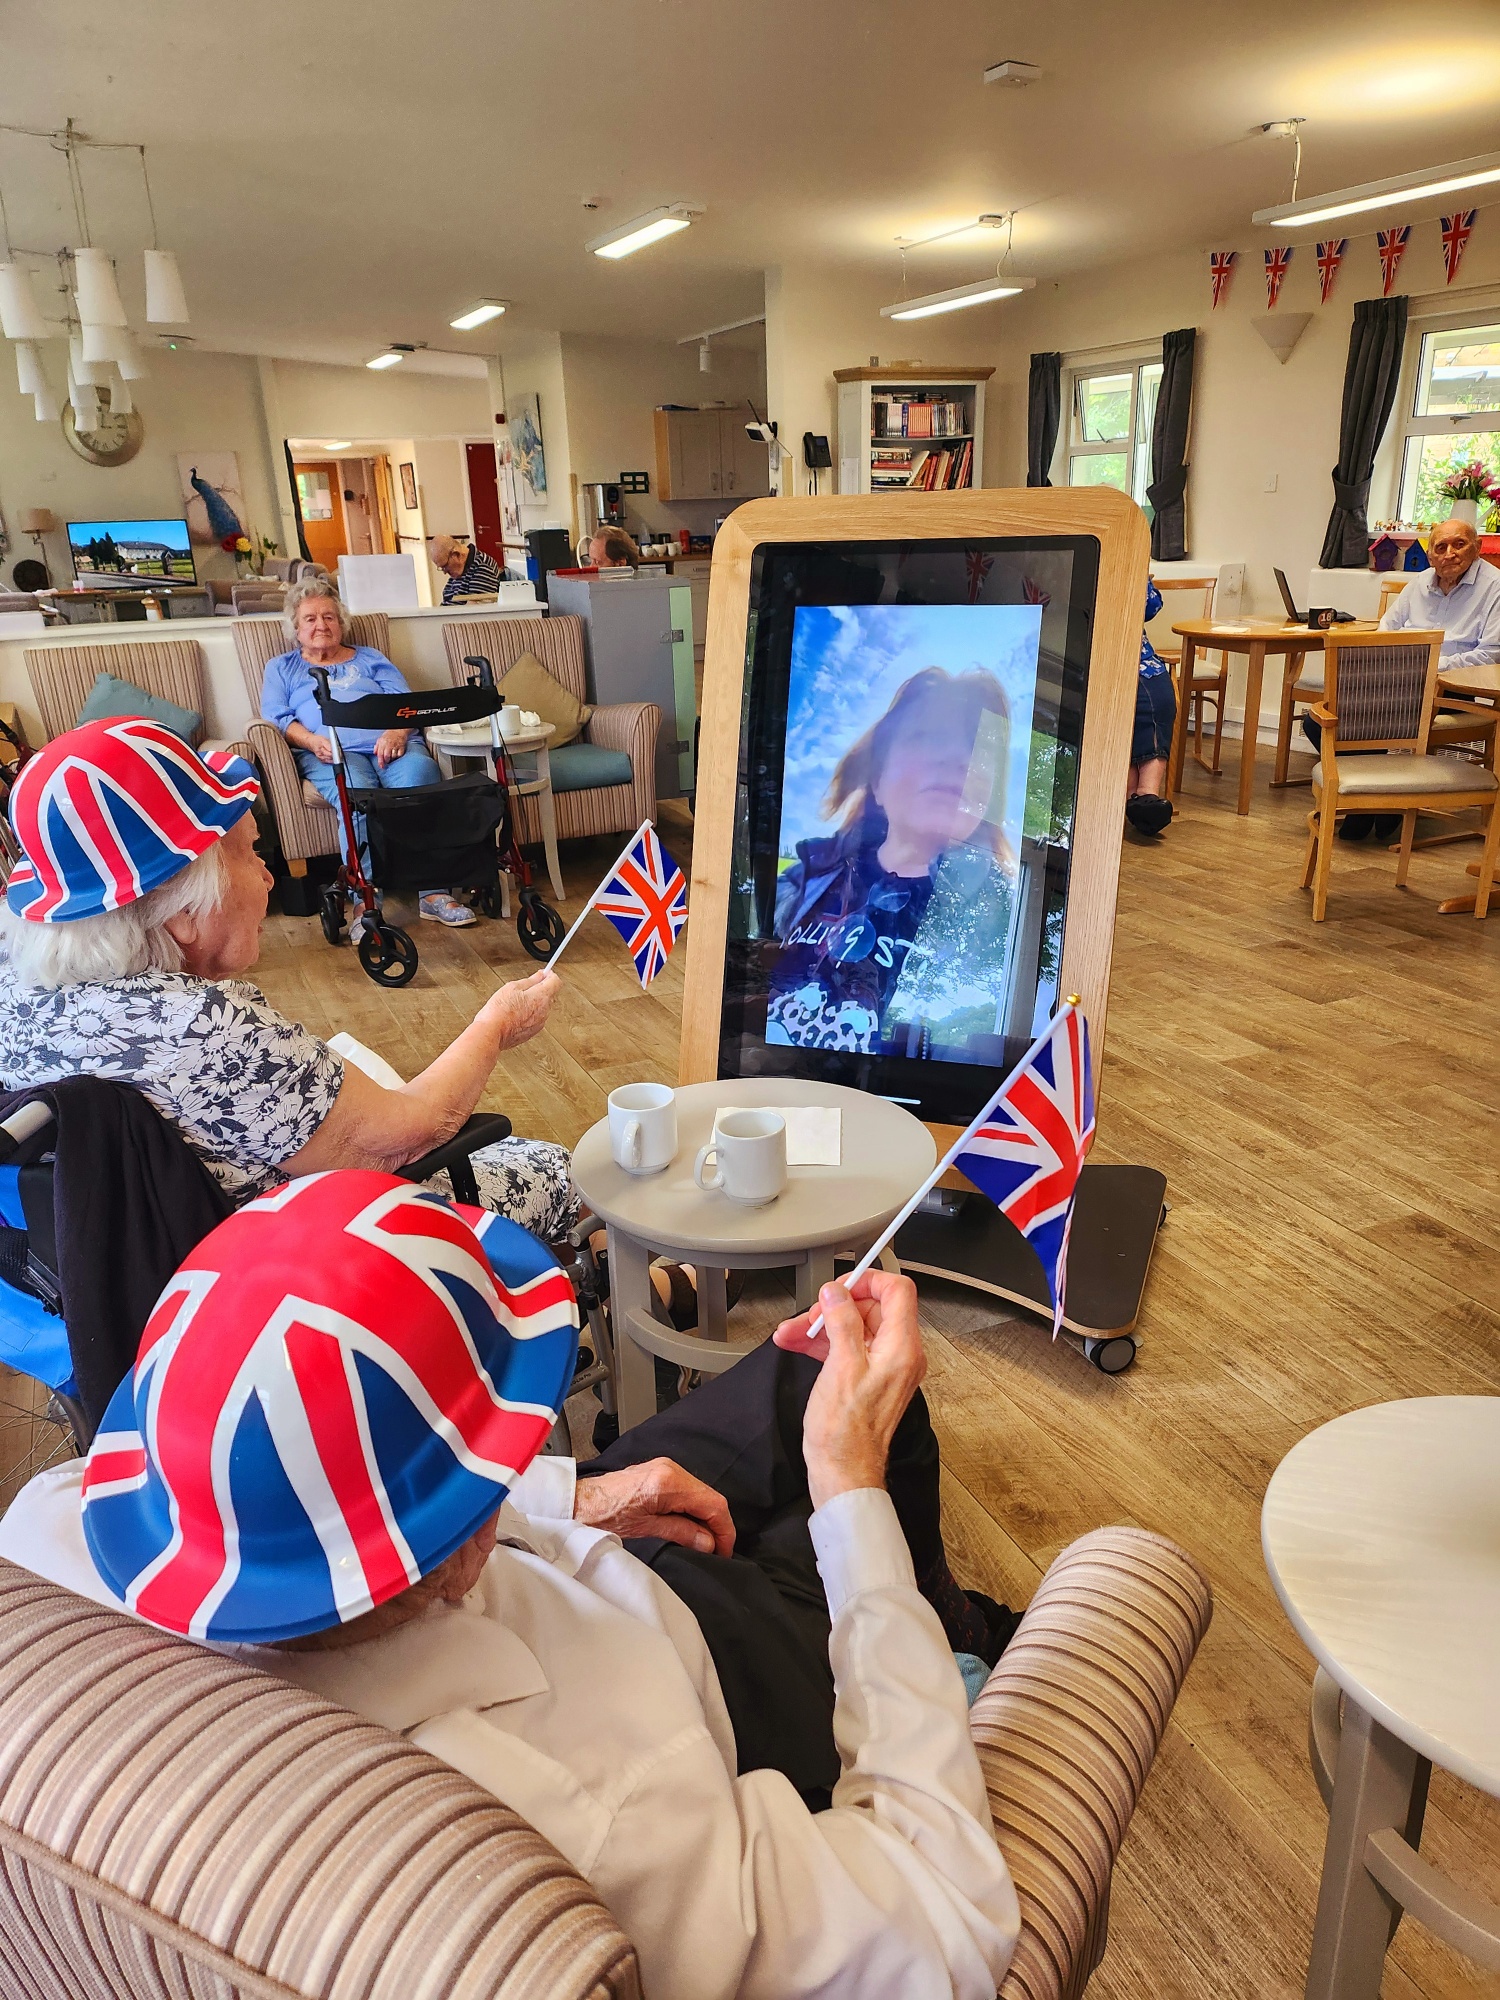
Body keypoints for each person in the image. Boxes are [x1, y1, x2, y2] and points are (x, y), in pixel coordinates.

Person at [0, 1173, 1022, 2000]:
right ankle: (956, 1635)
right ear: (450, 1548)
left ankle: (938, 1606)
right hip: (718, 1676)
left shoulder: (47, 1527)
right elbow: (945, 1918)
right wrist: (851, 1491)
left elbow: (323, 1489)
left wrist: (568, 1499)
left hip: (565, 1552)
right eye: (513, 1430)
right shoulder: (597, 1809)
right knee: (863, 1422)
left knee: (804, 1370)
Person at [0, 716, 576, 1238]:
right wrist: (494, 1026)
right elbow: (405, 1138)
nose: (269, 877)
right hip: (307, 1248)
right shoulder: (204, 1030)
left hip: (154, 1266)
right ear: (182, 912)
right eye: (252, 854)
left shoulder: (15, 992)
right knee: (561, 1171)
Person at [769, 666, 1016, 1058]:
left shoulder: (1009, 923)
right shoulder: (799, 882)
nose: (957, 759)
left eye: (976, 748)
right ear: (878, 781)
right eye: (926, 738)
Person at [260, 577, 475, 928]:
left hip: (393, 747)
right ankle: (365, 902)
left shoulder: (371, 658)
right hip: (332, 753)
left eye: (329, 617)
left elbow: (406, 705)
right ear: (295, 627)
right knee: (356, 797)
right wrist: (313, 742)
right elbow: (277, 718)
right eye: (310, 619)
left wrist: (397, 731)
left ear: (341, 623)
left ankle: (434, 893)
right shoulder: (283, 668)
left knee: (422, 782)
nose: (321, 625)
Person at [1310, 519, 1500, 841]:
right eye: (1440, 547)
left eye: (1459, 544)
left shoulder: (1495, 587)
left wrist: (1433, 667)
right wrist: (1397, 666)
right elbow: (1387, 630)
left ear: (1478, 547)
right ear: (1429, 555)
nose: (1449, 554)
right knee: (1319, 721)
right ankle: (1376, 805)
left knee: (1368, 718)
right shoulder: (1419, 584)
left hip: (1453, 687)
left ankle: (1375, 805)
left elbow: (1493, 653)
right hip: (1401, 680)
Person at [1125, 580, 1176, 838]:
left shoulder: (1128, 553)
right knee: (1132, 701)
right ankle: (1135, 792)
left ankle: (1145, 792)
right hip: (1096, 646)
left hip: (1138, 653)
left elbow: (1152, 603)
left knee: (1161, 697)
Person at [429, 532, 503, 604]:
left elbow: (473, 613)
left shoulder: (482, 567)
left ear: (456, 555)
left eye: (445, 566)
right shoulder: (459, 570)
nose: (444, 572)